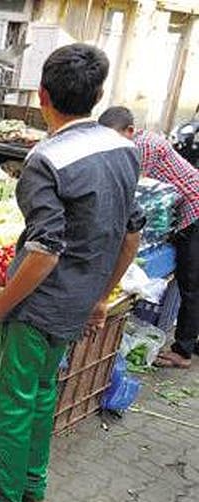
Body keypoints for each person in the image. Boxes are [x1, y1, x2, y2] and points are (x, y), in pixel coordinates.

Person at [0, 45, 144, 502]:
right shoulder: (122, 149)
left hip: (38, 306)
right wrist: (103, 294)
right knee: (42, 394)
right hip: (79, 303)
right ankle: (34, 486)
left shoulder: (46, 160)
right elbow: (130, 235)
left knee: (10, 404)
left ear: (42, 97)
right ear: (99, 96)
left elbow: (44, 251)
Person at [99, 106, 199, 369]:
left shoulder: (142, 146)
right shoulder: (136, 143)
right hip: (182, 213)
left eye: (113, 137)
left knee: (191, 283)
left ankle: (184, 352)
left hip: (195, 213)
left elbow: (130, 190)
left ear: (130, 131)